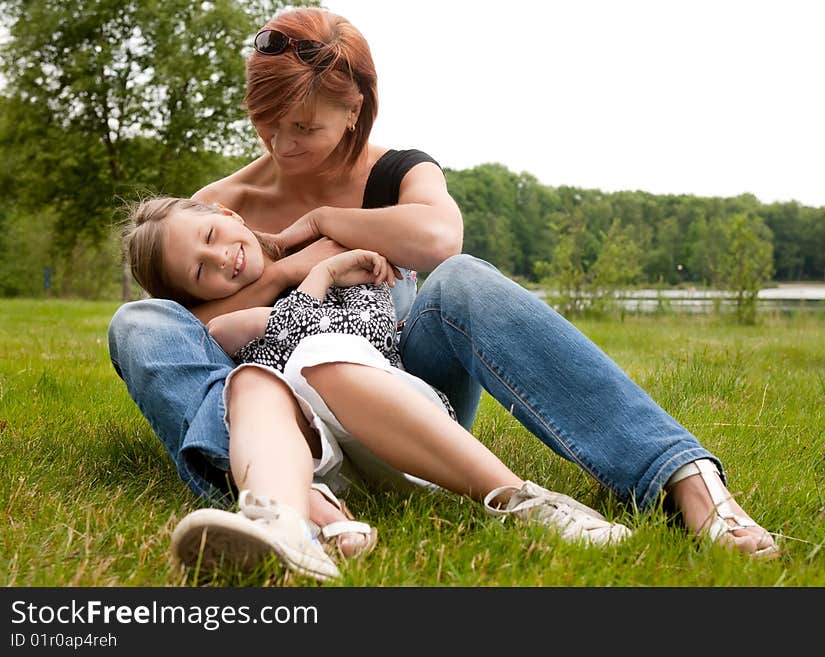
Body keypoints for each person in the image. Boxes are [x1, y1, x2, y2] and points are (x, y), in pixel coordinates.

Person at [108, 6, 779, 561]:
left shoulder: (398, 170)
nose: (281, 145)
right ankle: (281, 498)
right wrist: (290, 268)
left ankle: (684, 478)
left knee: (461, 279)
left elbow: (437, 240)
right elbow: (184, 340)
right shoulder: (223, 204)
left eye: (304, 127)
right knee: (137, 323)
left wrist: (321, 222)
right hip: (289, 412)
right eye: (267, 123)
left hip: (406, 389)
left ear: (355, 110)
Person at [120, 196, 632, 581]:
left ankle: (521, 500)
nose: (222, 259)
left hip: (397, 421)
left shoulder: (356, 286)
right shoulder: (231, 321)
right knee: (251, 384)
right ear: (191, 297)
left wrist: (313, 276)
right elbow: (216, 333)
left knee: (318, 356)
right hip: (323, 460)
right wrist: (315, 272)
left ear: (230, 217)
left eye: (212, 236)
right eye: (200, 271)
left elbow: (359, 334)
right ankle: (284, 523)